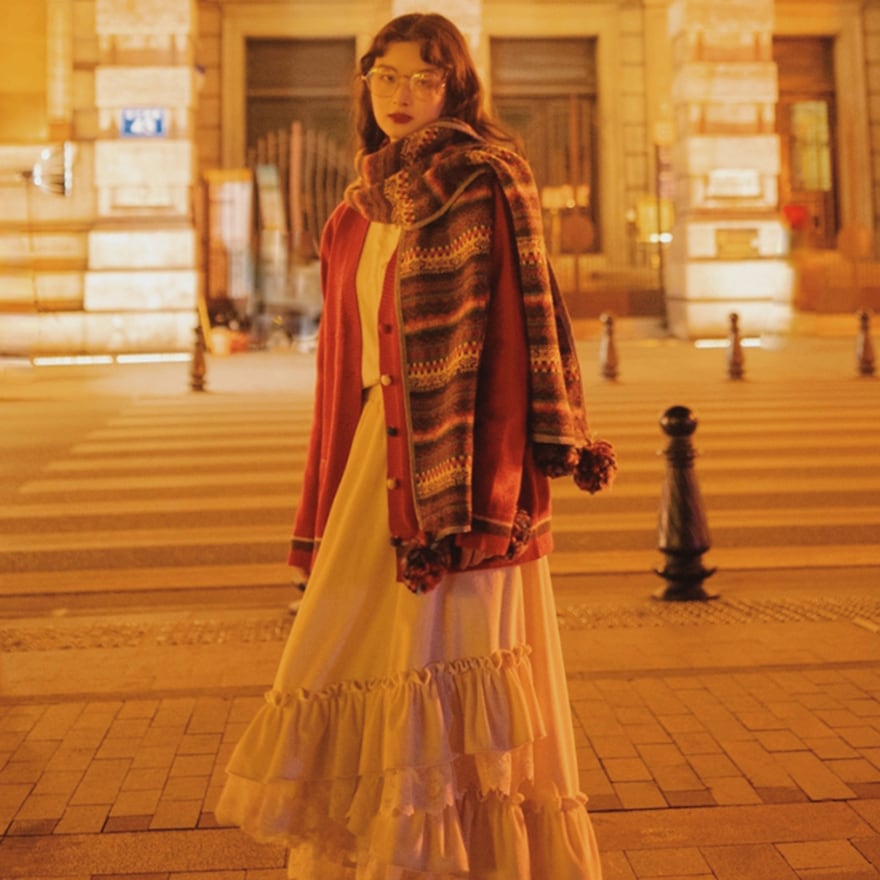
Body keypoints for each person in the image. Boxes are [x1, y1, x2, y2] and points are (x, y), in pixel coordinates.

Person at [215, 12, 616, 879]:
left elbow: (512, 348)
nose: (402, 95)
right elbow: (340, 377)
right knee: (344, 650)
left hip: (457, 474)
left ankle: (464, 856)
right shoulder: (355, 213)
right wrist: (323, 497)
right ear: (364, 84)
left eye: (424, 78)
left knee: (449, 655)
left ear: (455, 88)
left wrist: (494, 496)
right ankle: (390, 851)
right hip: (374, 461)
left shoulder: (485, 183)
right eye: (386, 76)